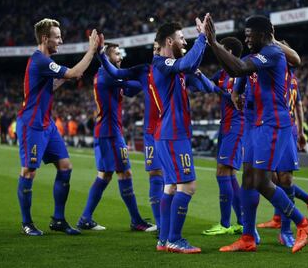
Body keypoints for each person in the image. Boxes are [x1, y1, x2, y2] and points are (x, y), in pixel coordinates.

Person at [205, 14, 308, 253]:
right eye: (244, 34)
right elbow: (237, 76)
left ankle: (303, 223)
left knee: (263, 182)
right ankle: (247, 237)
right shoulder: (251, 57)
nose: (246, 38)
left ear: (264, 35)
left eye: (249, 34)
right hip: (254, 126)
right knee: (247, 181)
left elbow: (240, 67)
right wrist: (237, 95)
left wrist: (213, 43)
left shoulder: (273, 53)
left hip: (272, 125)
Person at [98, 38, 216, 234]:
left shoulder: (177, 71)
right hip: (153, 132)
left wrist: (198, 73)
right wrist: (103, 59)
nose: (155, 52)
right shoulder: (146, 72)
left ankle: (166, 233)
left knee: (170, 183)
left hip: (168, 131)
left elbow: (208, 87)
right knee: (158, 176)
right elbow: (124, 83)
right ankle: (163, 228)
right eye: (152, 49)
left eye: (156, 48)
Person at [16, 18, 99, 236]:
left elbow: (50, 84)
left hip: (47, 124)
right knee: (29, 171)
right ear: (45, 38)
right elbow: (71, 72)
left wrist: (64, 79)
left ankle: (58, 220)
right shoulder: (40, 60)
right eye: (57, 36)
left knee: (65, 166)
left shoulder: (43, 63)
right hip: (31, 125)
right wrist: (91, 51)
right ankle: (27, 223)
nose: (61, 41)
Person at [77, 42, 154, 232]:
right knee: (122, 173)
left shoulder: (108, 76)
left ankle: (86, 218)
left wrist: (135, 83)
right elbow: (135, 85)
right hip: (109, 133)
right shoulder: (106, 74)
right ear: (107, 57)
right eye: (117, 54)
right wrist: (144, 79)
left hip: (107, 131)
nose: (121, 57)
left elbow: (131, 89)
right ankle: (136, 220)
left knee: (107, 175)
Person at [151, 15, 208, 253]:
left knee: (171, 187)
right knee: (188, 185)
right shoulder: (161, 63)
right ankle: (175, 238)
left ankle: (164, 240)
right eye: (181, 38)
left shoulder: (176, 68)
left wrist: (227, 91)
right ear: (168, 41)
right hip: (173, 135)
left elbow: (202, 82)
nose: (184, 41)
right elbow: (186, 64)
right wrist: (202, 37)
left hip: (169, 134)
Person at [257, 68, 308, 248]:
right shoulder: (271, 73)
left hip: (287, 130)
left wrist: (301, 131)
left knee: (285, 178)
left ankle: (286, 230)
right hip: (268, 128)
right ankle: (306, 202)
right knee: (268, 180)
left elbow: (298, 105)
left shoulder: (291, 78)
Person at [201, 37, 245, 236]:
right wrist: (196, 75)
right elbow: (208, 85)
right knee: (229, 174)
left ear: (230, 52)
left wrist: (220, 92)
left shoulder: (243, 71)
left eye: (222, 50)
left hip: (237, 126)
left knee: (222, 172)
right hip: (225, 126)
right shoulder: (222, 73)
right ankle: (240, 222)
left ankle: (225, 224)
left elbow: (240, 98)